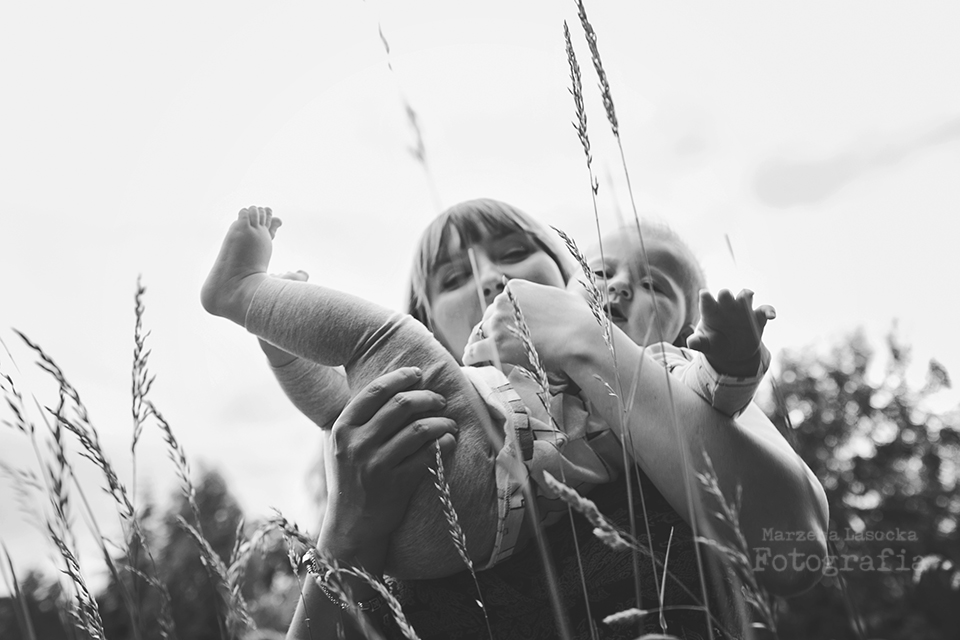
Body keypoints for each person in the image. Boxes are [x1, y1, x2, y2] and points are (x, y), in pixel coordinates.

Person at [201, 200, 827, 637]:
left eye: (513, 253)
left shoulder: (670, 381)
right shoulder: (448, 404)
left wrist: (592, 341)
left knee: (379, 341)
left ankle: (245, 295)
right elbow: (334, 407)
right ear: (428, 318)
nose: (489, 277)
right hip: (438, 504)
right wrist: (346, 536)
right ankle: (268, 323)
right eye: (453, 277)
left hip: (480, 502)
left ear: (560, 278)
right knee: (363, 378)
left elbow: (792, 549)